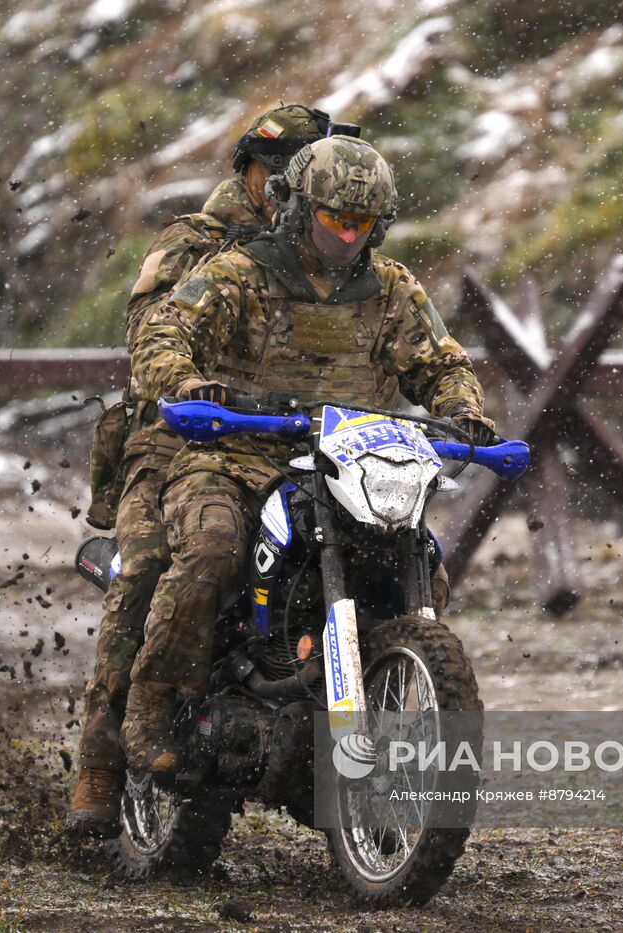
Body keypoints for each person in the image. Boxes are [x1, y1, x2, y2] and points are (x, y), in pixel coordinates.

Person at [121, 135, 496, 774]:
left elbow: (440, 362)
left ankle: (389, 696)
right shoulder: (238, 271)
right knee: (211, 547)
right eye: (335, 220)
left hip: (350, 459)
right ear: (297, 207)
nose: (348, 237)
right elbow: (163, 331)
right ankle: (151, 709)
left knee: (420, 561)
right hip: (233, 454)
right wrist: (184, 383)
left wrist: (463, 409)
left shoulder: (393, 289)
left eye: (363, 224)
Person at [68, 104, 352, 838]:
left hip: (293, 442)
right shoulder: (196, 243)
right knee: (162, 560)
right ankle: (104, 750)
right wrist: (187, 384)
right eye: (291, 172)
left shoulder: (332, 258)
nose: (304, 186)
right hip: (175, 442)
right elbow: (152, 337)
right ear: (256, 173)